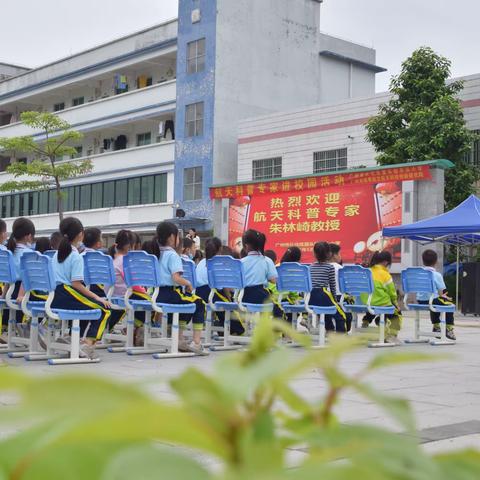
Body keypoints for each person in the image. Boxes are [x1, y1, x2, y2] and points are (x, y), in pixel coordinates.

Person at [50, 217, 112, 359]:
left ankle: (72, 339)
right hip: (67, 293)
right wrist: (97, 297)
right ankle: (88, 345)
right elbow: (76, 284)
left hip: (55, 296)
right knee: (105, 309)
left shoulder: (57, 254)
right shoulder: (75, 256)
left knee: (86, 307)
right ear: (80, 234)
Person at [155, 221, 207, 354]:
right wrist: (188, 283)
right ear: (173, 237)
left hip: (158, 295)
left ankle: (180, 339)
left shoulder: (156, 253)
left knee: (187, 302)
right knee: (199, 303)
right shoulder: (172, 255)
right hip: (172, 294)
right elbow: (176, 278)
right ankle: (196, 342)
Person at [196, 237, 245, 335]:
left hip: (199, 294)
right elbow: (224, 286)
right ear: (220, 250)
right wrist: (230, 300)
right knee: (230, 308)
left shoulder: (201, 262)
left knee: (221, 304)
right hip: (212, 294)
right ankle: (237, 332)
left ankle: (223, 328)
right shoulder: (218, 263)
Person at [240, 230, 285, 321]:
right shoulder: (266, 260)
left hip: (242, 297)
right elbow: (273, 280)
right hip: (260, 296)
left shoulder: (241, 262)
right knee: (278, 311)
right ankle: (277, 332)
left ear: (246, 246)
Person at [361, 251, 402, 344]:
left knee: (375, 305)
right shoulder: (385, 274)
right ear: (386, 262)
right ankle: (392, 335)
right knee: (397, 313)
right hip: (380, 303)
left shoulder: (368, 271)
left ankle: (366, 320)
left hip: (366, 302)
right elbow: (392, 293)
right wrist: (396, 303)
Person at [418, 249, 456, 340]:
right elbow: (441, 292)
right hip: (432, 300)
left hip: (420, 301)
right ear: (436, 262)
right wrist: (446, 297)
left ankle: (436, 326)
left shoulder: (419, 273)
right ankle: (449, 329)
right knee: (449, 304)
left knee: (435, 302)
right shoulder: (436, 275)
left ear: (423, 261)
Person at [309, 242, 347, 333]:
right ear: (329, 254)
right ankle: (341, 336)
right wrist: (334, 300)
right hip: (323, 294)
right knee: (341, 315)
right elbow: (332, 286)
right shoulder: (329, 267)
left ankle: (329, 331)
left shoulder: (311, 267)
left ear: (314, 254)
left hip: (311, 297)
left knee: (325, 313)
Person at [329, 243, 352, 332]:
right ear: (333, 255)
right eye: (339, 253)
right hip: (338, 298)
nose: (340, 256)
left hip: (323, 298)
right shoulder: (339, 268)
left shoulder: (322, 267)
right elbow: (347, 286)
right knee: (347, 315)